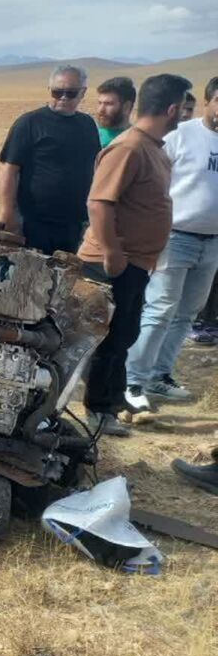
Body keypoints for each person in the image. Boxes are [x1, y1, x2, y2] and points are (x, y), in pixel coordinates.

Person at [78, 73, 192, 436]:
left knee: (124, 334)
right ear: (172, 109)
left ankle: (111, 400)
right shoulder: (128, 148)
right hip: (112, 263)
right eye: (183, 108)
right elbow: (99, 203)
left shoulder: (152, 148)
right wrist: (113, 252)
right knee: (107, 338)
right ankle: (96, 409)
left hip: (136, 263)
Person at [124, 76, 218, 410]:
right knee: (160, 309)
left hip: (213, 243)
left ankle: (160, 376)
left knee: (187, 314)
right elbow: (158, 182)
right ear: (207, 101)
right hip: (176, 237)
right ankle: (133, 381)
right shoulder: (182, 135)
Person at [0, 64, 102, 254]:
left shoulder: (87, 124)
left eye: (70, 93)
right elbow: (9, 170)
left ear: (83, 93)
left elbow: (94, 168)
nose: (63, 98)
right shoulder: (29, 123)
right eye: (57, 92)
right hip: (35, 222)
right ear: (49, 91)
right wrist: (8, 213)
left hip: (74, 223)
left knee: (65, 276)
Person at [95, 76, 136, 148]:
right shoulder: (90, 133)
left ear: (127, 106)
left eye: (109, 104)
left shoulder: (134, 142)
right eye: (100, 103)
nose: (101, 110)